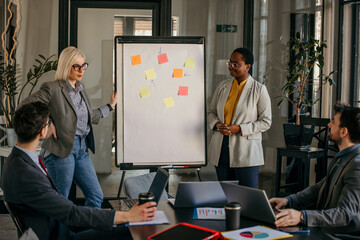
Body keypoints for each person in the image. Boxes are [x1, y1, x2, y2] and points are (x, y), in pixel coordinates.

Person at [1, 102, 157, 240]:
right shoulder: (26, 175)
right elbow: (70, 213)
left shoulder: (17, 160)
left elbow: (62, 207)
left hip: (56, 224)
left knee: (116, 222)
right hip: (61, 234)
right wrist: (129, 215)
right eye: (49, 122)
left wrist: (103, 215)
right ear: (42, 131)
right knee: (130, 231)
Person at [18, 46, 116, 208]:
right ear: (66, 65)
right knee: (60, 202)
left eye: (83, 65)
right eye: (76, 66)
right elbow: (25, 106)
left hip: (81, 150)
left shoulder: (80, 89)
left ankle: (85, 234)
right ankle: (59, 234)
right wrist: (48, 124)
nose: (81, 70)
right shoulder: (52, 88)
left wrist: (110, 106)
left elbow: (88, 117)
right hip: (61, 152)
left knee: (96, 196)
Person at [269, 104, 360, 235]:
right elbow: (318, 189)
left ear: (343, 132)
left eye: (333, 122)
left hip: (339, 235)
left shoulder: (357, 165)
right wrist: (289, 200)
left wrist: (302, 216)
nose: (329, 125)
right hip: (325, 228)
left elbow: (344, 214)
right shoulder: (344, 157)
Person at [207, 47, 272, 188]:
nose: (231, 67)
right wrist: (217, 124)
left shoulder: (259, 89)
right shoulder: (222, 86)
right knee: (225, 194)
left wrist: (239, 128)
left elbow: (266, 122)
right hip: (222, 149)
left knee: (247, 196)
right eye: (230, 63)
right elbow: (211, 112)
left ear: (247, 66)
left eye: (236, 64)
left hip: (246, 151)